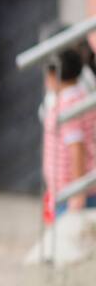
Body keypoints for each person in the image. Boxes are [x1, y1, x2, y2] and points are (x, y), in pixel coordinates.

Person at [42, 48, 96, 218]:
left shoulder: (67, 106)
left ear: (53, 75)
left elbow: (76, 148)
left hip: (73, 192)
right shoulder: (81, 96)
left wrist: (77, 193)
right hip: (75, 188)